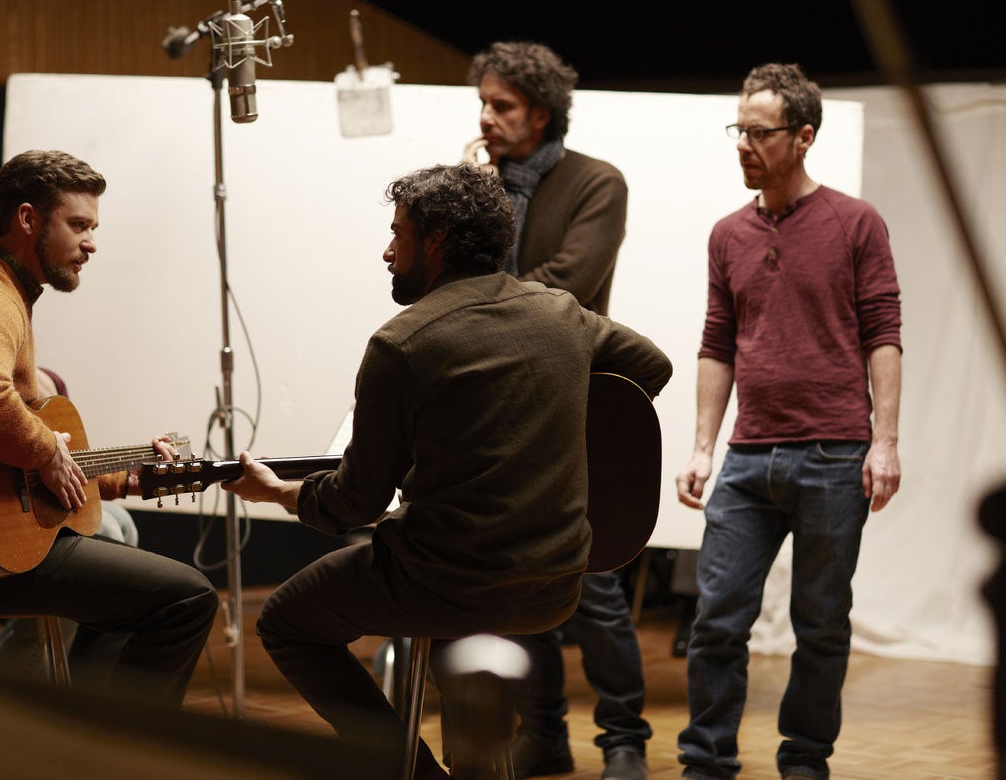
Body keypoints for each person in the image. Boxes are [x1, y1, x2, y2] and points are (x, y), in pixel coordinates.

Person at [221, 163, 672, 779]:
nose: (386, 250)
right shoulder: (561, 312)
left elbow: (356, 503)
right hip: (555, 577)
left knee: (287, 622)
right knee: (454, 613)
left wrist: (278, 493)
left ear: (435, 242)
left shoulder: (402, 344)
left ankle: (419, 773)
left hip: (450, 580)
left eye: (397, 233)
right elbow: (654, 366)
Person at [0, 150, 218, 705]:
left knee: (135, 599)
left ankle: (71, 744)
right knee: (188, 599)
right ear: (28, 219)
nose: (91, 243)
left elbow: (8, 453)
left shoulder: (0, 289)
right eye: (79, 225)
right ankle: (115, 755)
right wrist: (43, 451)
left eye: (93, 228)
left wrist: (117, 480)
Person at [674, 63, 902, 780]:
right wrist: (703, 448)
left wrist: (885, 442)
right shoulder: (726, 234)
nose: (743, 144)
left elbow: (883, 333)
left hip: (835, 454)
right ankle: (707, 760)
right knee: (716, 622)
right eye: (737, 129)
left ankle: (805, 760)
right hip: (747, 460)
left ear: (803, 137)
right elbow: (717, 342)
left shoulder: (854, 221)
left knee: (822, 626)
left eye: (759, 132)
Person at [464, 40, 651, 780]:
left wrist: (481, 305)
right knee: (519, 581)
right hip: (497, 411)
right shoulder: (481, 183)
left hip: (574, 406)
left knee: (593, 583)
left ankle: (625, 739)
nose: (487, 118)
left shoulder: (596, 182)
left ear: (541, 112)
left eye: (501, 105)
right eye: (482, 103)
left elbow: (569, 282)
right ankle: (544, 737)